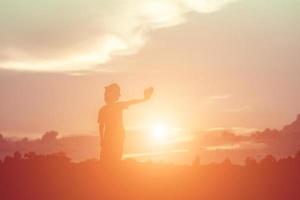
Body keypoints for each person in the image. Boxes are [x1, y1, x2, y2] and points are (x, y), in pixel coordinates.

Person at [98, 83, 153, 164]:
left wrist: (102, 140)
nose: (105, 95)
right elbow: (101, 126)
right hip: (114, 138)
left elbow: (101, 126)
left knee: (109, 162)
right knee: (112, 161)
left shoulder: (105, 109)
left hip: (113, 139)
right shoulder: (112, 107)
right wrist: (145, 99)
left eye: (106, 94)